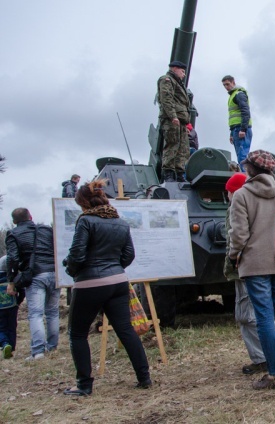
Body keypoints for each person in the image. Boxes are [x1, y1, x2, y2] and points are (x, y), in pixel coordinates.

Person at [62, 180, 151, 396]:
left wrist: (71, 268)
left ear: (84, 202)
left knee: (77, 334)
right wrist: (114, 268)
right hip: (118, 281)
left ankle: (84, 385)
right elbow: (128, 255)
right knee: (126, 330)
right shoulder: (120, 222)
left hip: (89, 283)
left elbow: (77, 254)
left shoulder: (85, 221)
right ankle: (144, 378)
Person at [228, 150, 275, 389]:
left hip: (255, 265)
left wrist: (233, 255)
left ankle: (274, 373)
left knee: (265, 318)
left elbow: (239, 235)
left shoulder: (241, 195)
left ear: (250, 169)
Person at [223, 172, 267, 376]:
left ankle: (262, 358)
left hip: (244, 269)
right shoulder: (257, 204)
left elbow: (237, 238)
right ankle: (266, 356)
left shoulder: (238, 207)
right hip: (258, 267)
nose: (228, 196)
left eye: (229, 192)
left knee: (247, 315)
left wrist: (233, 259)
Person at [5, 208, 60, 360]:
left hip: (35, 275)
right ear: (30, 216)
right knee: (53, 312)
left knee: (36, 314)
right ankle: (52, 346)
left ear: (15, 221)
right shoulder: (47, 230)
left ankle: (38, 351)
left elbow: (13, 258)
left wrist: (12, 281)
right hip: (55, 273)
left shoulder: (13, 234)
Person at [157, 60, 191, 182]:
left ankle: (180, 173)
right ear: (175, 69)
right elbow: (166, 98)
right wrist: (173, 116)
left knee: (183, 148)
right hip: (172, 120)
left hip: (180, 120)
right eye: (182, 71)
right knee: (172, 145)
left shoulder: (177, 83)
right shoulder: (167, 80)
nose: (184, 74)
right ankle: (169, 173)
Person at [222, 75, 252, 170]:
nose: (226, 87)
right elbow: (233, 118)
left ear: (233, 83)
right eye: (224, 85)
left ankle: (245, 178)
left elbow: (245, 111)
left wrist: (243, 129)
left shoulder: (239, 94)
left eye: (227, 84)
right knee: (240, 155)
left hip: (241, 129)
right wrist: (231, 134)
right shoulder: (232, 96)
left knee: (243, 156)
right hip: (236, 129)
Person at [0, 255, 24, 359]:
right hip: (12, 307)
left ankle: (5, 344)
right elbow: (22, 292)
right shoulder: (14, 279)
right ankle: (12, 346)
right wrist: (17, 302)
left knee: (1, 328)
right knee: (12, 326)